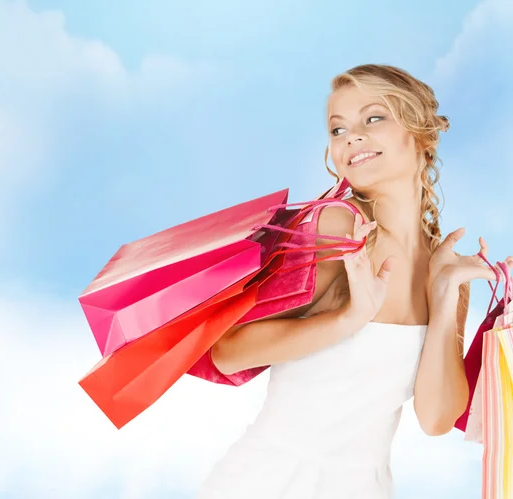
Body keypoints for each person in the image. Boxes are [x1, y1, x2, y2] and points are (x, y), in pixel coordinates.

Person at [194, 64, 513, 499]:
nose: (351, 137)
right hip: (269, 482)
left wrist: (443, 300)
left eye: (373, 118)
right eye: (337, 129)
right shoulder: (338, 228)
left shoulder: (445, 269)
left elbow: (435, 419)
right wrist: (350, 318)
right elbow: (228, 352)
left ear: (419, 134)